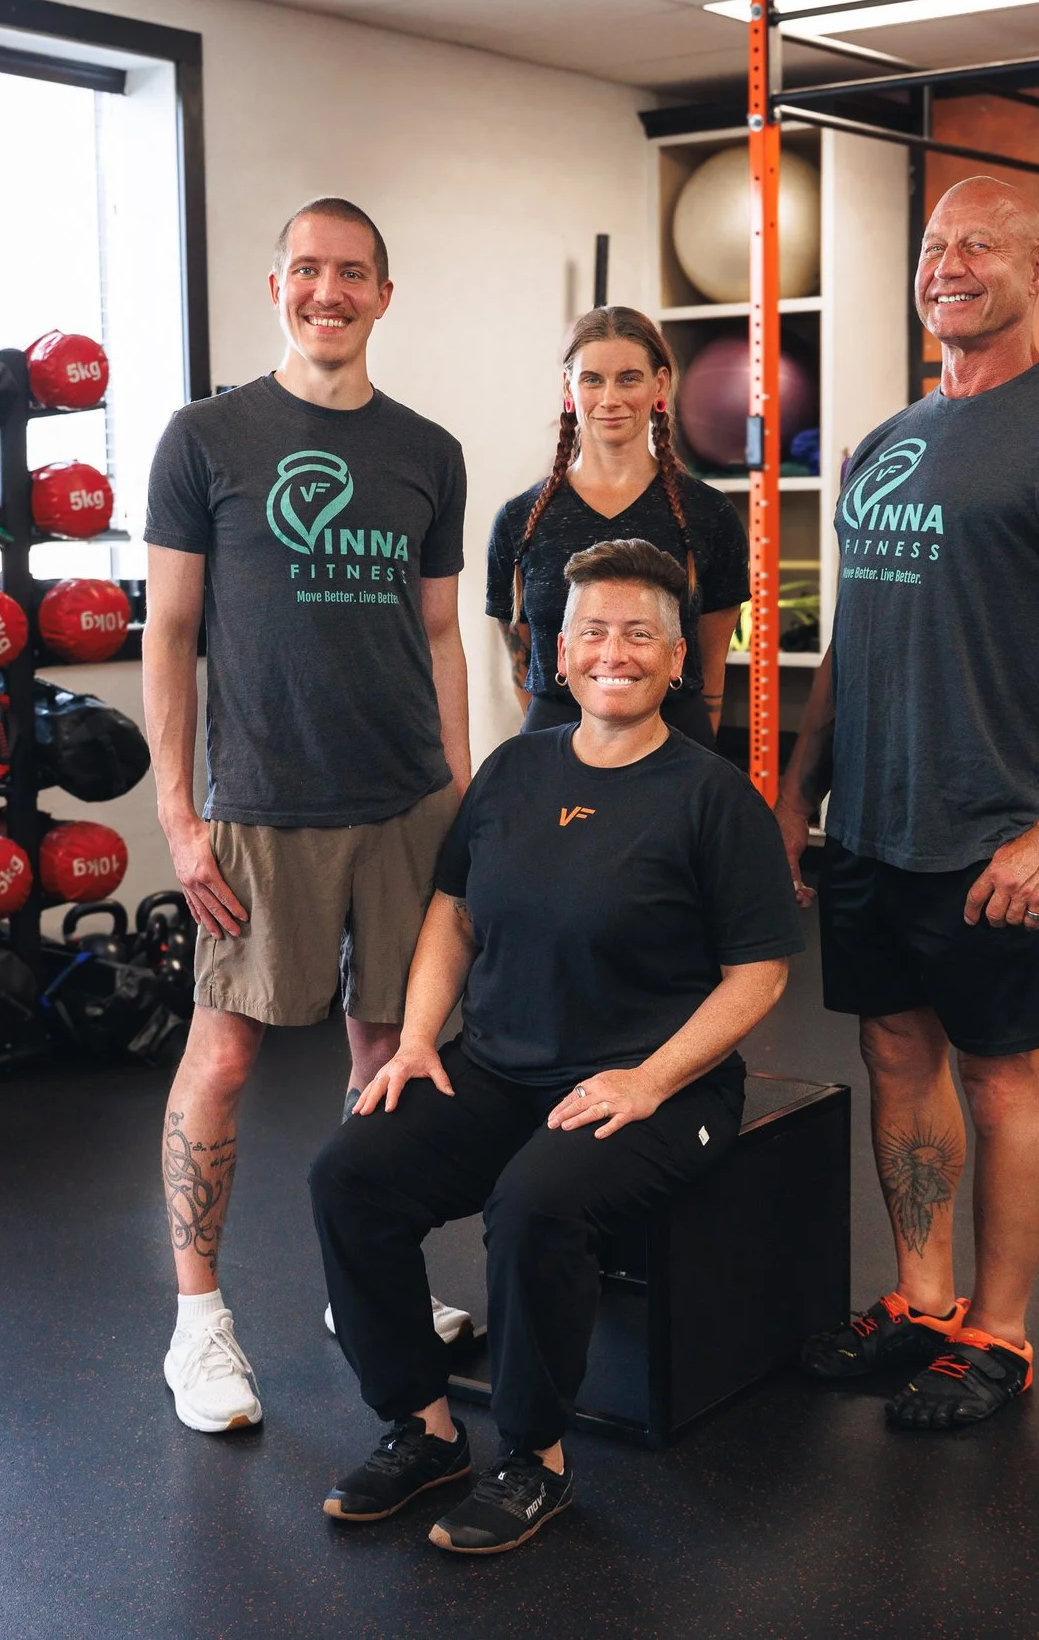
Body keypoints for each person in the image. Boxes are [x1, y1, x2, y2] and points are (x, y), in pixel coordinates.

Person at [309, 540, 801, 1553]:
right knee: (350, 1171)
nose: (610, 650)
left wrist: (652, 1076)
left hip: (665, 1082)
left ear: (676, 660)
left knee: (534, 1201)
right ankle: (423, 1426)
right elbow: (452, 911)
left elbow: (762, 972)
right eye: (590, 630)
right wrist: (411, 1043)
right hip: (499, 1062)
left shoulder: (712, 797)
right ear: (555, 650)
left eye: (637, 634)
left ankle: (534, 1457)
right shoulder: (513, 770)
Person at [782, 176, 1039, 1430]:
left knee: (1004, 1078)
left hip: (991, 829)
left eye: (980, 246)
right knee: (895, 1052)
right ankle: (921, 1296)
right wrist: (799, 791)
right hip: (873, 826)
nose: (950, 266)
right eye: (934, 246)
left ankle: (1000, 1333)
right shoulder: (885, 440)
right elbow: (855, 636)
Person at [142, 197, 477, 1435]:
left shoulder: (427, 451)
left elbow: (440, 634)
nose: (327, 291)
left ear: (384, 295)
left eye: (353, 274)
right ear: (273, 284)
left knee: (389, 1056)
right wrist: (178, 819)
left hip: (401, 800)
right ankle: (198, 1324)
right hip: (258, 807)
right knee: (223, 1058)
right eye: (307, 270)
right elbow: (167, 635)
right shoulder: (206, 437)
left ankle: (363, 1287)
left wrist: (460, 797)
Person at [488, 307, 748, 749]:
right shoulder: (520, 520)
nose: (610, 398)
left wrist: (695, 758)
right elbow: (525, 662)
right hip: (554, 739)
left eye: (628, 378)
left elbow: (711, 663)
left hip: (674, 736)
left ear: (659, 384)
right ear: (568, 388)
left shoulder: (709, 514)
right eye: (592, 379)